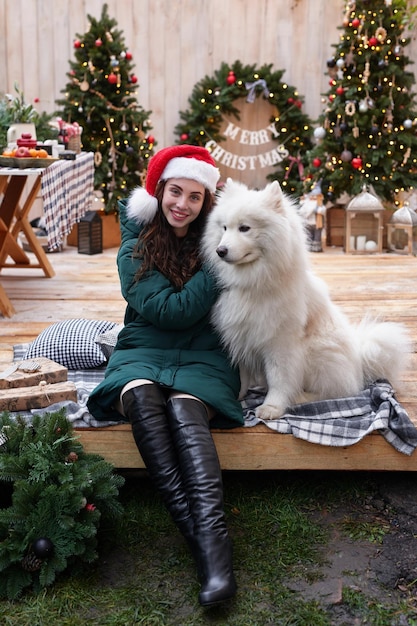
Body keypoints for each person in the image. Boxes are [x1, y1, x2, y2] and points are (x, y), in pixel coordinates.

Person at [87, 145, 244, 606]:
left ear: (205, 203)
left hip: (205, 355)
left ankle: (213, 542)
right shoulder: (136, 243)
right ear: (159, 191)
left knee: (184, 405)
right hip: (144, 347)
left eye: (195, 197)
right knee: (141, 395)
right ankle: (207, 551)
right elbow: (169, 311)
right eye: (176, 192)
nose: (183, 204)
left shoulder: (217, 236)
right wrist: (218, 265)